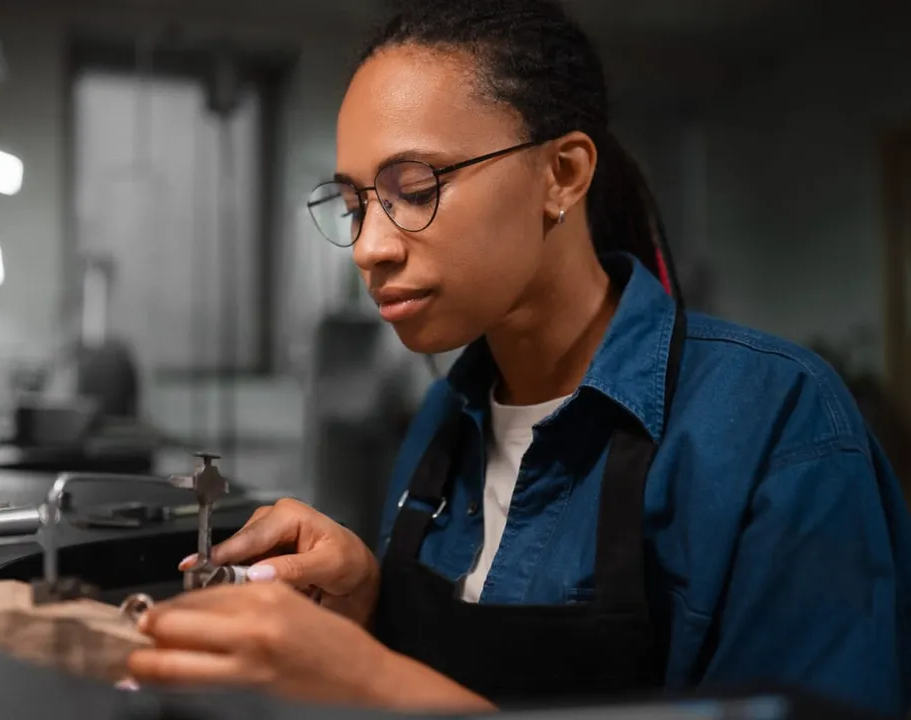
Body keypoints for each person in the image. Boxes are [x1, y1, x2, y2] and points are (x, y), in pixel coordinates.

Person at [125, 0, 911, 715]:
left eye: (415, 187)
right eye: (356, 202)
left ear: (560, 174)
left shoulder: (775, 424)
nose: (368, 248)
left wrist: (376, 682)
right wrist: (368, 608)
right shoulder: (444, 419)